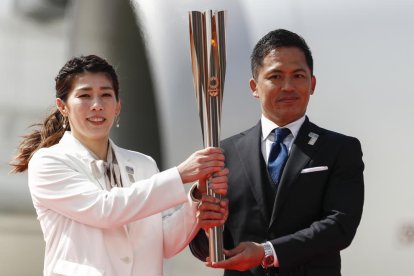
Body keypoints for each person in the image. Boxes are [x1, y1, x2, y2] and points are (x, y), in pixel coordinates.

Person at [11, 54, 229, 276]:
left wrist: (197, 200)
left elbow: (164, 243)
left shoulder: (143, 164)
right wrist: (180, 175)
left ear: (117, 106)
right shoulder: (49, 162)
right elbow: (106, 210)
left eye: (106, 95)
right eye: (84, 95)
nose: (96, 105)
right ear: (63, 107)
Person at [189, 29, 364, 276]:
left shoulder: (340, 149)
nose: (288, 87)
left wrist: (268, 251)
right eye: (275, 76)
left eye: (298, 76)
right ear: (254, 86)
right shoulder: (223, 153)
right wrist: (203, 220)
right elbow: (204, 248)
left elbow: (340, 226)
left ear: (312, 84)